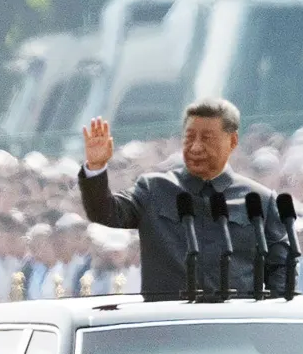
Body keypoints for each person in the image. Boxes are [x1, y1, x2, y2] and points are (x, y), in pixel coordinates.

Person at [79, 100, 287, 299]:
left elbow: (281, 271)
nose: (196, 147)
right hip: (168, 326)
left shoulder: (259, 200)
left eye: (207, 138)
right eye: (189, 137)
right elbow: (105, 212)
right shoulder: (154, 189)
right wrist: (96, 169)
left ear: (231, 141)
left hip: (233, 327)